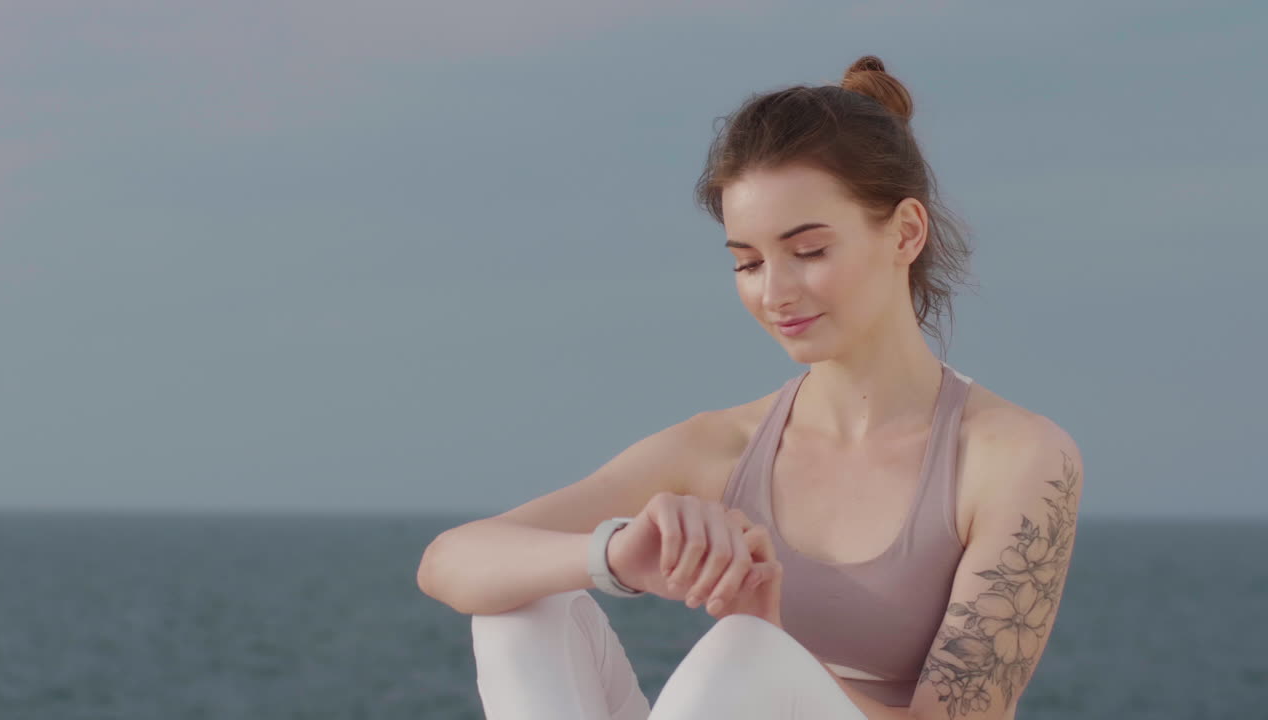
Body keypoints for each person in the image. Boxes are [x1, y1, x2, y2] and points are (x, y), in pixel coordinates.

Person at [417, 54, 1084, 720]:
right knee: (520, 606)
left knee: (741, 657)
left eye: (810, 251)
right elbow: (450, 561)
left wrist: (769, 648)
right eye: (748, 262)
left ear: (906, 232)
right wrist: (619, 555)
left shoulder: (1015, 457)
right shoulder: (720, 447)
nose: (775, 293)